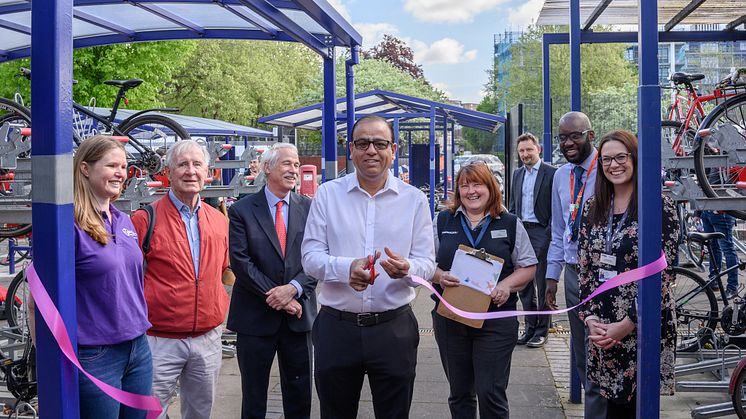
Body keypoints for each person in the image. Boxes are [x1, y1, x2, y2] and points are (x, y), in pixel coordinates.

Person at [302, 115, 436, 419]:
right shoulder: (328, 194)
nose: (371, 150)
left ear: (394, 149)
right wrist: (346, 269)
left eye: (380, 143)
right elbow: (309, 256)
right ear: (351, 149)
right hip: (337, 328)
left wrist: (408, 269)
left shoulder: (414, 200)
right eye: (362, 143)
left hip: (394, 329)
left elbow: (428, 263)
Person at [577, 130, 678, 418]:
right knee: (613, 407)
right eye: (606, 159)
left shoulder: (658, 206)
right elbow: (584, 269)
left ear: (634, 158)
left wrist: (629, 322)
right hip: (603, 326)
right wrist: (590, 318)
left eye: (621, 157)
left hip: (641, 325)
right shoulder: (592, 208)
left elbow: (666, 273)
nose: (614, 165)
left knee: (637, 408)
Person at [131, 140, 230, 419]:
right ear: (168, 172)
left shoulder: (219, 220)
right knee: (148, 413)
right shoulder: (145, 219)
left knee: (200, 413)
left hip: (208, 339)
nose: (190, 171)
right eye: (182, 164)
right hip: (158, 340)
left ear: (207, 172)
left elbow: (223, 270)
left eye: (197, 164)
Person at [432, 162, 537, 418]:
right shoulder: (442, 220)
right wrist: (440, 275)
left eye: (477, 184)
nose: (471, 191)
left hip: (496, 321)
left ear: (490, 187)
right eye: (464, 185)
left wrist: (506, 285)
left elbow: (528, 266)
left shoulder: (510, 223)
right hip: (451, 320)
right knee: (460, 393)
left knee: (490, 392)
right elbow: (425, 262)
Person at [227, 143, 316, 419]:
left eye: (297, 165)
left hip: (299, 320)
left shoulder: (310, 208)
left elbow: (317, 258)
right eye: (287, 164)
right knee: (254, 399)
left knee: (299, 397)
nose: (294, 170)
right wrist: (279, 297)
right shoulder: (242, 210)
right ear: (267, 168)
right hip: (254, 320)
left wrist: (293, 290)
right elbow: (241, 264)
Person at [73, 135, 152, 418]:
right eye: (112, 166)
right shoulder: (69, 225)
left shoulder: (124, 220)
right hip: (96, 354)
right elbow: (38, 299)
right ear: (85, 168)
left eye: (124, 166)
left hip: (138, 347)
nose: (121, 173)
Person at [544, 111, 607, 417]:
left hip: (605, 274)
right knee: (583, 353)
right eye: (563, 137)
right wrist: (551, 275)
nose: (568, 143)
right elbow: (558, 229)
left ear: (590, 136)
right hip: (572, 272)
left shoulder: (606, 168)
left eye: (575, 136)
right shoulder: (560, 176)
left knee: (602, 350)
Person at [508, 132, 556, 348]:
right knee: (523, 284)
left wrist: (549, 235)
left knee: (542, 282)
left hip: (541, 232)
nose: (525, 154)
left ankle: (542, 330)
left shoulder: (551, 174)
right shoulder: (517, 174)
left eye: (529, 149)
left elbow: (556, 208)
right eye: (522, 151)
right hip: (521, 231)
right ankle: (528, 328)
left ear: (539, 149)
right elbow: (512, 206)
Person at [699, 210, 739, 297]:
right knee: (714, 248)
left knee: (727, 249)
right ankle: (713, 281)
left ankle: (733, 287)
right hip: (707, 211)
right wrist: (698, 212)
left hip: (722, 211)